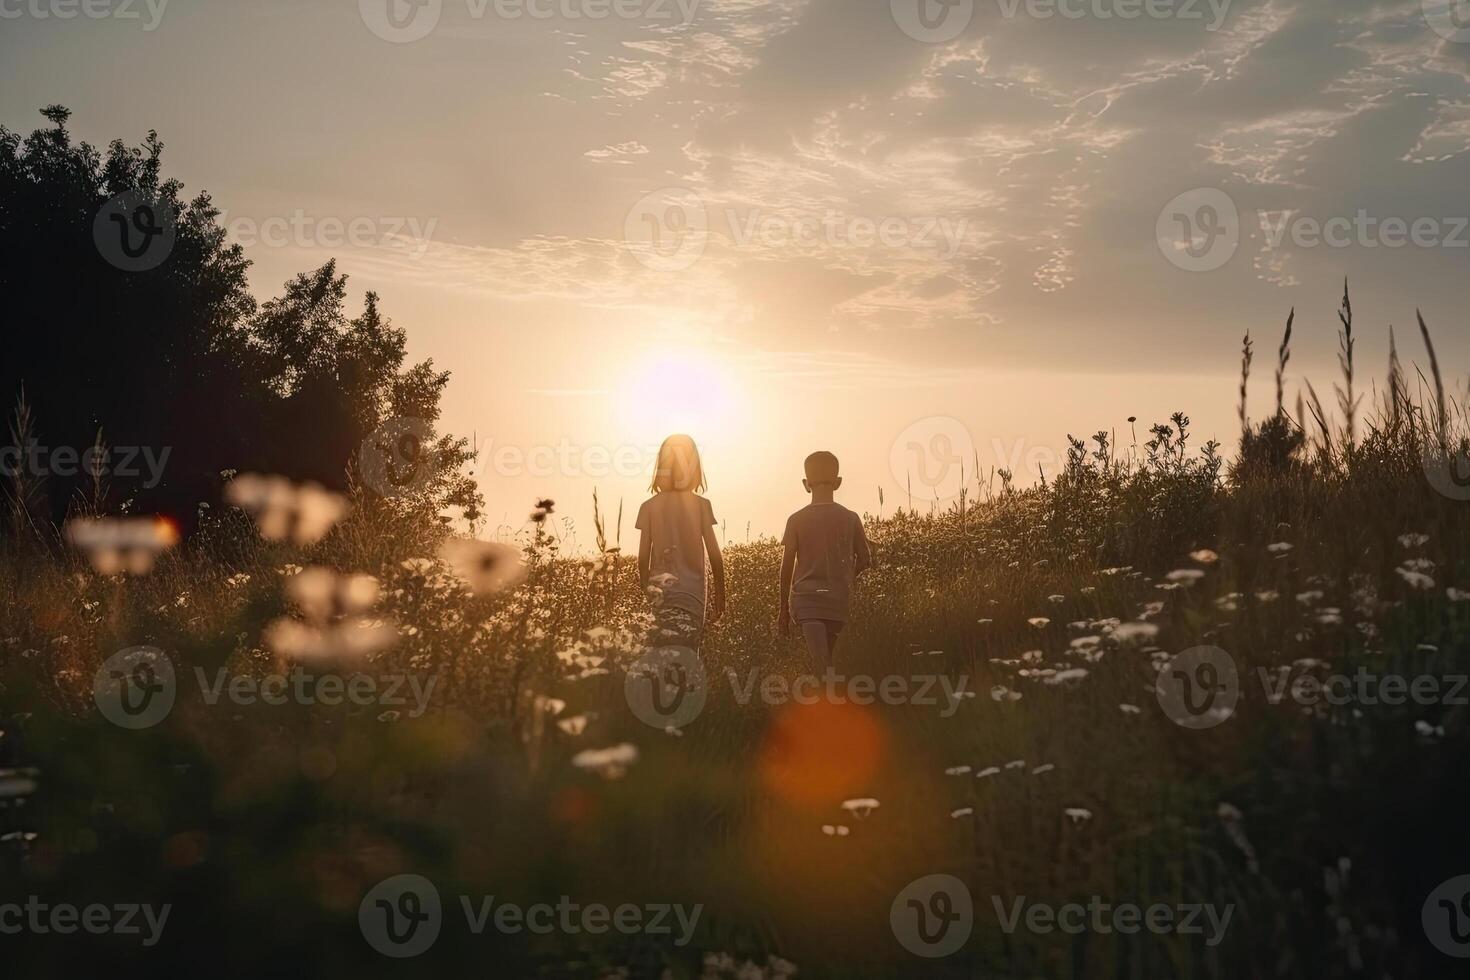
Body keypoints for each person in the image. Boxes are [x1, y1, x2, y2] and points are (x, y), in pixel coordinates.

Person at [777, 451, 871, 670]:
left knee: (822, 665)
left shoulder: (796, 520)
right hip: (839, 602)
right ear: (838, 483)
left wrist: (783, 608)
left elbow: (786, 567)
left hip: (808, 602)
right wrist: (848, 576)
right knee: (829, 661)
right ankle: (833, 699)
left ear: (805, 483)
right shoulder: (851, 518)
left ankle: (829, 700)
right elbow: (866, 559)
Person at [636, 434, 725, 649]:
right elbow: (715, 557)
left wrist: (649, 594)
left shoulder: (649, 507)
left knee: (663, 657)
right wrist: (720, 600)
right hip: (693, 598)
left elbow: (642, 560)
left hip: (661, 596)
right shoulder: (701, 505)